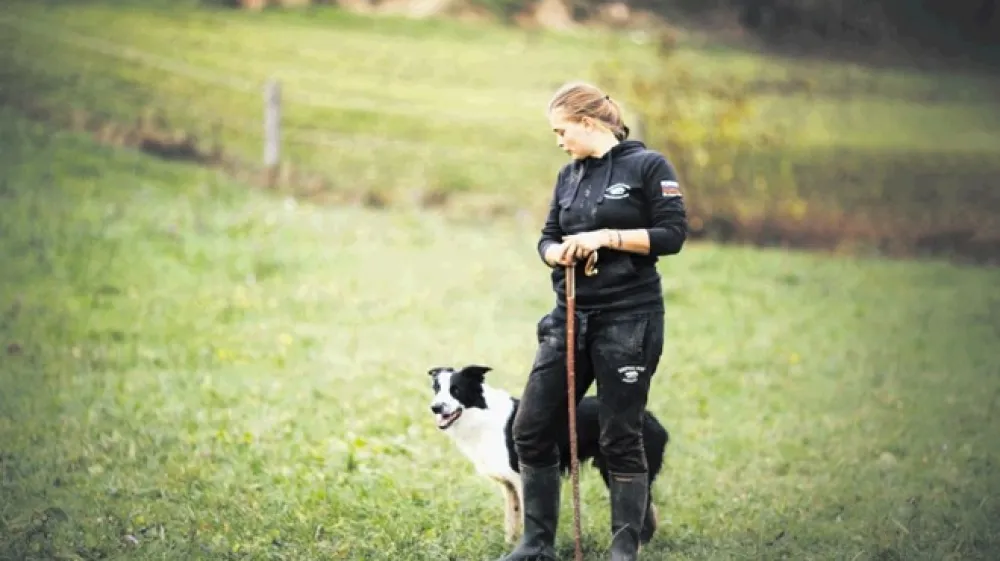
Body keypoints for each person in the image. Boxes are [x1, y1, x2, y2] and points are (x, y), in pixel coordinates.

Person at [498, 81, 688, 561]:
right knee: (531, 427)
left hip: (629, 320)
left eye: (562, 131)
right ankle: (535, 543)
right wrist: (555, 251)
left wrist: (607, 236)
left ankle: (624, 548)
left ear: (587, 122)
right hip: (569, 318)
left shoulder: (648, 166)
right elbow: (546, 237)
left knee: (619, 434)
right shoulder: (569, 176)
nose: (559, 141)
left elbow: (672, 234)